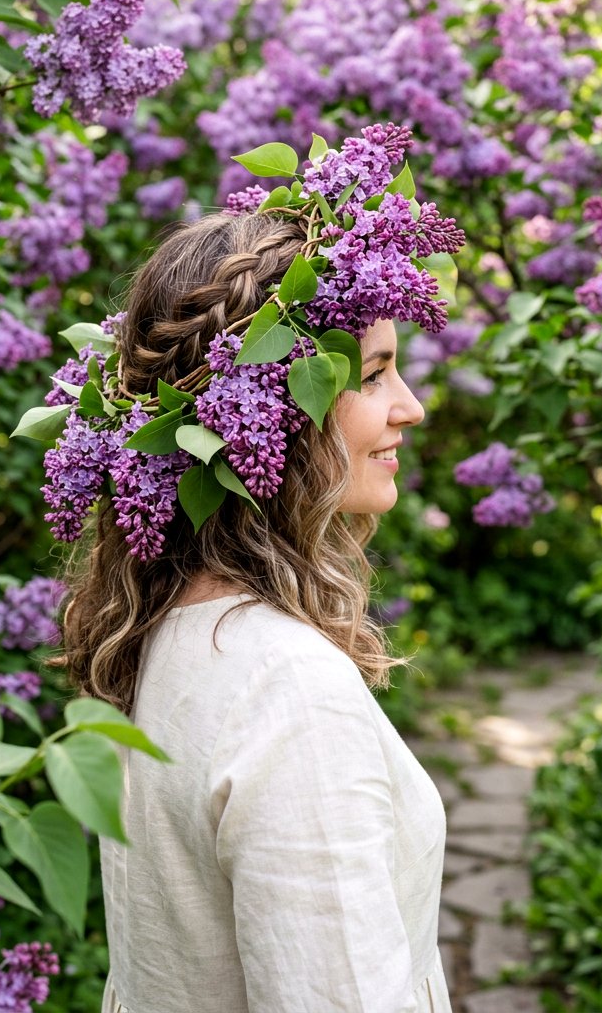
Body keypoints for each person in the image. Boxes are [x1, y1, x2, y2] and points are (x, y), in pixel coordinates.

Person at [54, 127, 460, 1012]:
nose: (411, 408)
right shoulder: (289, 692)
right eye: (379, 374)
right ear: (276, 410)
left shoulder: (173, 638)